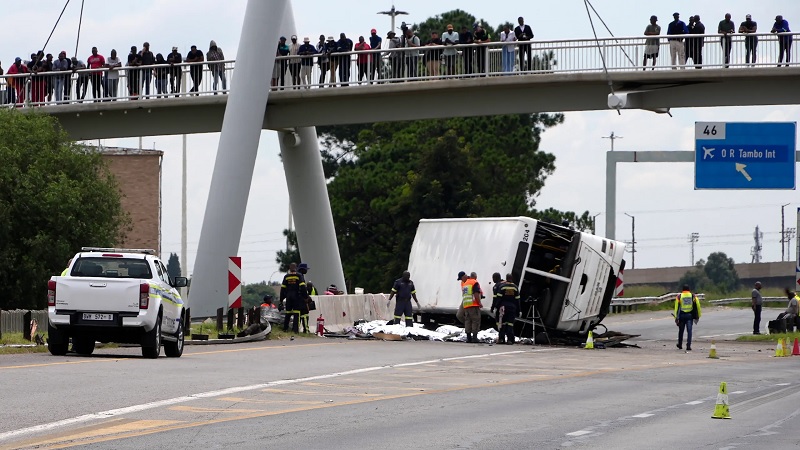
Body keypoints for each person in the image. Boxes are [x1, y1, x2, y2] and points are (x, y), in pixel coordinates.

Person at [280, 263, 307, 333]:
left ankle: (285, 329)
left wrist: (281, 299)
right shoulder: (299, 276)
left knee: (288, 313)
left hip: (288, 297)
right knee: (296, 313)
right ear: (296, 268)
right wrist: (305, 297)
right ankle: (295, 330)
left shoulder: (286, 277)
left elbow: (282, 289)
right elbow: (303, 287)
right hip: (296, 297)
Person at [674, 284, 701, 351]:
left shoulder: (679, 296)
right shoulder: (693, 296)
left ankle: (680, 344)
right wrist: (698, 315)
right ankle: (688, 345)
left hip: (682, 316)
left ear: (682, 290)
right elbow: (698, 305)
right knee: (689, 331)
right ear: (689, 290)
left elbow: (676, 308)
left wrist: (676, 317)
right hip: (689, 316)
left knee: (681, 331)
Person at [496, 273, 521, 345]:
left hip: (503, 308)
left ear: (506, 278)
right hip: (512, 308)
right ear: (512, 278)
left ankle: (501, 339)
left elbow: (498, 299)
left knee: (502, 323)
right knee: (510, 324)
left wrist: (496, 307)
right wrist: (519, 310)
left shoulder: (502, 287)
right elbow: (517, 300)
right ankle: (510, 340)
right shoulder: (515, 287)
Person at [459, 271, 483, 343]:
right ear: (475, 277)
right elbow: (476, 294)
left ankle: (468, 338)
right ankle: (474, 338)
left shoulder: (465, 283)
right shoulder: (475, 283)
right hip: (473, 305)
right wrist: (479, 303)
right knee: (475, 320)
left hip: (466, 305)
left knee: (468, 321)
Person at [297, 262, 316, 333]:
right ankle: (306, 330)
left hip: (296, 299)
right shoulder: (300, 276)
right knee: (304, 314)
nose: (307, 271)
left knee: (298, 315)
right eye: (306, 269)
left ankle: (296, 330)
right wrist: (307, 298)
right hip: (301, 299)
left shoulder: (296, 275)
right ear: (302, 269)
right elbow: (303, 289)